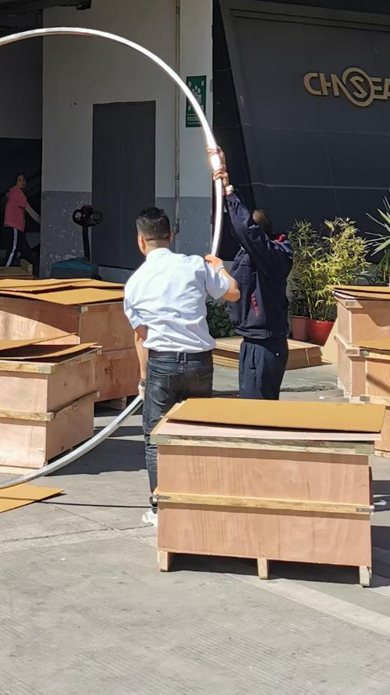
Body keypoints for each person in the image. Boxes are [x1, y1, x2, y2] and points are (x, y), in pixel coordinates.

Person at [123, 207, 240, 527]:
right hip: (199, 362)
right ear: (171, 236)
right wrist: (220, 267)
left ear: (140, 241)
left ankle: (160, 508)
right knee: (195, 432)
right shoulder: (195, 266)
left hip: (161, 363)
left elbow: (141, 336)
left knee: (156, 438)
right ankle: (195, 500)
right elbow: (232, 292)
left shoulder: (135, 283)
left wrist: (144, 380)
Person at [211, 149, 293, 400]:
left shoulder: (273, 255)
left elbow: (247, 231)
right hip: (253, 341)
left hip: (265, 344)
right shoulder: (255, 252)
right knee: (249, 403)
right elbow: (245, 229)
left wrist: (228, 192)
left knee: (257, 407)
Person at [3, 173, 40, 267]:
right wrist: (40, 221)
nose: (23, 182)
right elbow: (29, 209)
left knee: (24, 249)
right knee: (13, 249)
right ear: (15, 182)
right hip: (14, 226)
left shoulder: (12, 192)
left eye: (24, 180)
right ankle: (5, 269)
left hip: (17, 226)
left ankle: (34, 267)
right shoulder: (17, 193)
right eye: (20, 180)